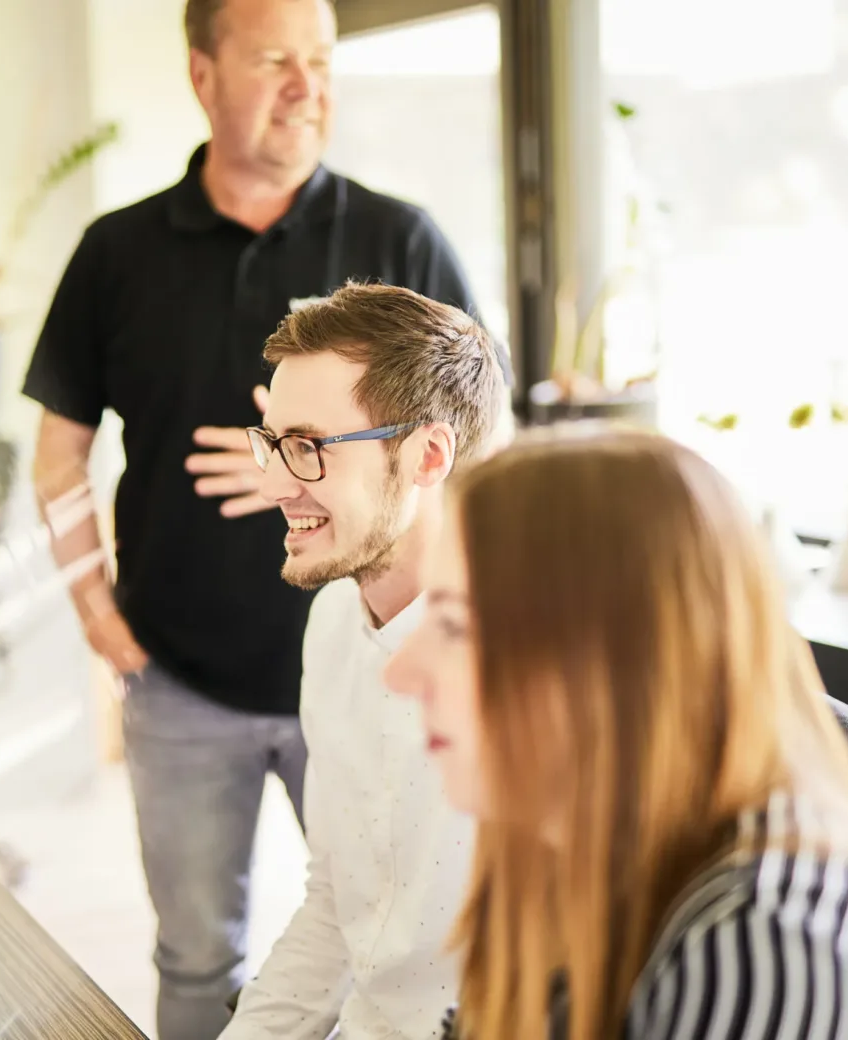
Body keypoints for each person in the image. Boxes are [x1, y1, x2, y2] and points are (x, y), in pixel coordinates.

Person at [21, 0, 511, 1037]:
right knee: (202, 950)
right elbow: (59, 453)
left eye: (323, 62)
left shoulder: (397, 238)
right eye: (275, 61)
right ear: (203, 75)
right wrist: (93, 609)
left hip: (381, 634)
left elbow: (482, 431)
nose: (307, 87)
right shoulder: (117, 252)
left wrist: (297, 467)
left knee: (405, 910)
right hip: (185, 673)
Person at [385, 428, 848, 1040]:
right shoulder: (569, 832)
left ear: (612, 662)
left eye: (455, 626)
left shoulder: (757, 944)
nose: (399, 672)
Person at [219, 281, 506, 1040]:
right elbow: (336, 902)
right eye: (273, 443)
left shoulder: (531, 662)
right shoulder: (332, 625)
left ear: (428, 456)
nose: (275, 483)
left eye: (308, 448)